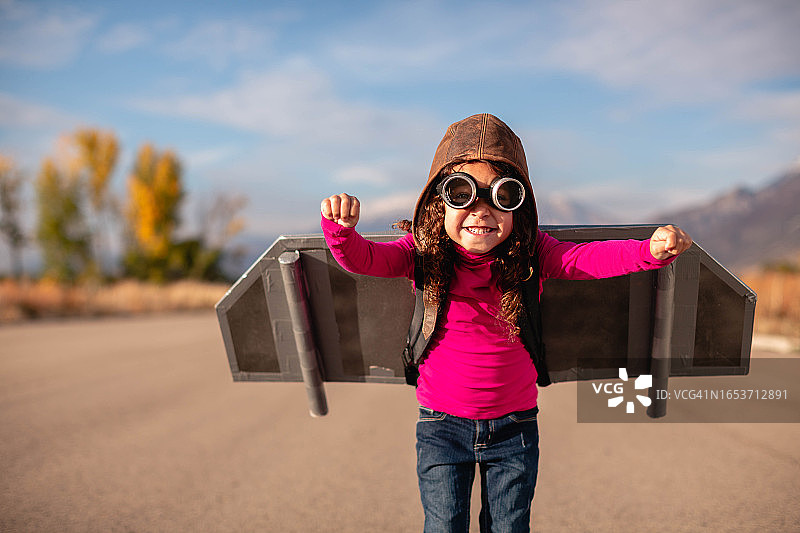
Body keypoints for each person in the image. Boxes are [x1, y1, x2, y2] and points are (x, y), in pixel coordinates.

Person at [320, 113, 692, 533]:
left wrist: (650, 250)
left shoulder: (533, 254)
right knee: (443, 527)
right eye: (461, 194)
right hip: (442, 424)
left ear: (520, 206)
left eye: (502, 197)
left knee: (509, 528)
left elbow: (588, 260)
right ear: (437, 203)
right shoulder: (421, 253)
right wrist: (341, 233)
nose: (481, 211)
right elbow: (366, 259)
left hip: (514, 426)